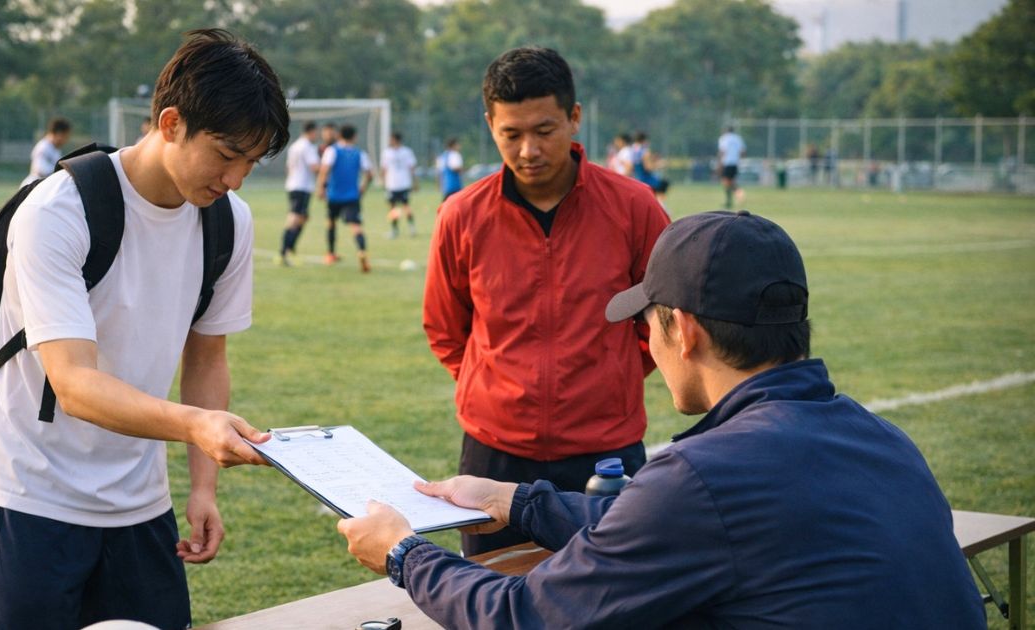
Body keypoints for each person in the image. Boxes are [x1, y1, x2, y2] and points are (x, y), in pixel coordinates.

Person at [339, 210, 987, 629]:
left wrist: (403, 553)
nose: (647, 341)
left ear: (685, 329)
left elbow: (526, 616)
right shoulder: (880, 437)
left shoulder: (704, 475)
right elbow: (663, 527)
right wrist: (516, 502)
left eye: (647, 322)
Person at [0, 29, 289, 630]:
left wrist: (203, 488)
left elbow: (207, 359)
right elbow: (74, 385)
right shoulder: (57, 211)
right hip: (32, 495)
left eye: (251, 162)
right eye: (226, 154)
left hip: (141, 504)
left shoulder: (229, 221)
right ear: (171, 123)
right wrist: (194, 426)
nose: (236, 179)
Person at [421, 46, 669, 556]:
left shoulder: (634, 207)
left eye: (544, 130)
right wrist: (497, 389)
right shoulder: (461, 215)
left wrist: (610, 376)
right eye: (511, 134)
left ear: (574, 118)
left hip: (606, 451)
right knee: (490, 590)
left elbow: (663, 321)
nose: (528, 150)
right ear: (490, 125)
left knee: (617, 592)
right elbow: (445, 328)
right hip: (494, 454)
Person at [316, 124, 374, 272]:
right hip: (352, 196)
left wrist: (321, 188)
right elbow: (369, 174)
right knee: (356, 225)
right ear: (354, 137)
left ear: (339, 135)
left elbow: (324, 170)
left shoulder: (332, 150)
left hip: (334, 195)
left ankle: (331, 254)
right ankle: (362, 252)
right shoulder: (359, 153)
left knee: (331, 223)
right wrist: (363, 188)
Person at [277, 121, 321, 266]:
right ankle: (284, 252)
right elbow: (315, 167)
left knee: (302, 218)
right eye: (316, 132)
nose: (317, 135)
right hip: (302, 186)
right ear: (311, 131)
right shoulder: (307, 147)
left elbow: (288, 168)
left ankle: (290, 249)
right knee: (295, 218)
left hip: (294, 185)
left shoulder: (295, 146)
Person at [380, 131, 418, 238]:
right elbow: (384, 169)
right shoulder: (390, 152)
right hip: (393, 183)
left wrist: (415, 182)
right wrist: (383, 181)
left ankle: (409, 228)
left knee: (403, 206)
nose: (389, 141)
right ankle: (397, 229)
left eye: (391, 139)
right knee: (395, 207)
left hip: (401, 183)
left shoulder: (403, 152)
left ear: (396, 140)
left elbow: (412, 168)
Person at [21, 117, 72, 186]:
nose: (66, 140)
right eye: (65, 137)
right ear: (59, 134)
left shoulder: (55, 148)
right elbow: (41, 171)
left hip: (42, 186)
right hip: (33, 187)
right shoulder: (43, 147)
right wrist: (63, 171)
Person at [631, 131, 670, 201]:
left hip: (637, 179)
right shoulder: (644, 151)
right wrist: (660, 165)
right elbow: (648, 167)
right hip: (646, 180)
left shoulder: (632, 150)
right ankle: (659, 204)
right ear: (644, 140)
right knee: (665, 183)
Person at [717, 125, 745, 208]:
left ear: (726, 131)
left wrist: (720, 163)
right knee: (731, 181)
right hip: (735, 163)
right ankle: (737, 194)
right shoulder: (738, 138)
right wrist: (738, 160)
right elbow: (742, 152)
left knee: (726, 181)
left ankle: (732, 198)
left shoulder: (724, 138)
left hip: (727, 162)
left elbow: (723, 151)